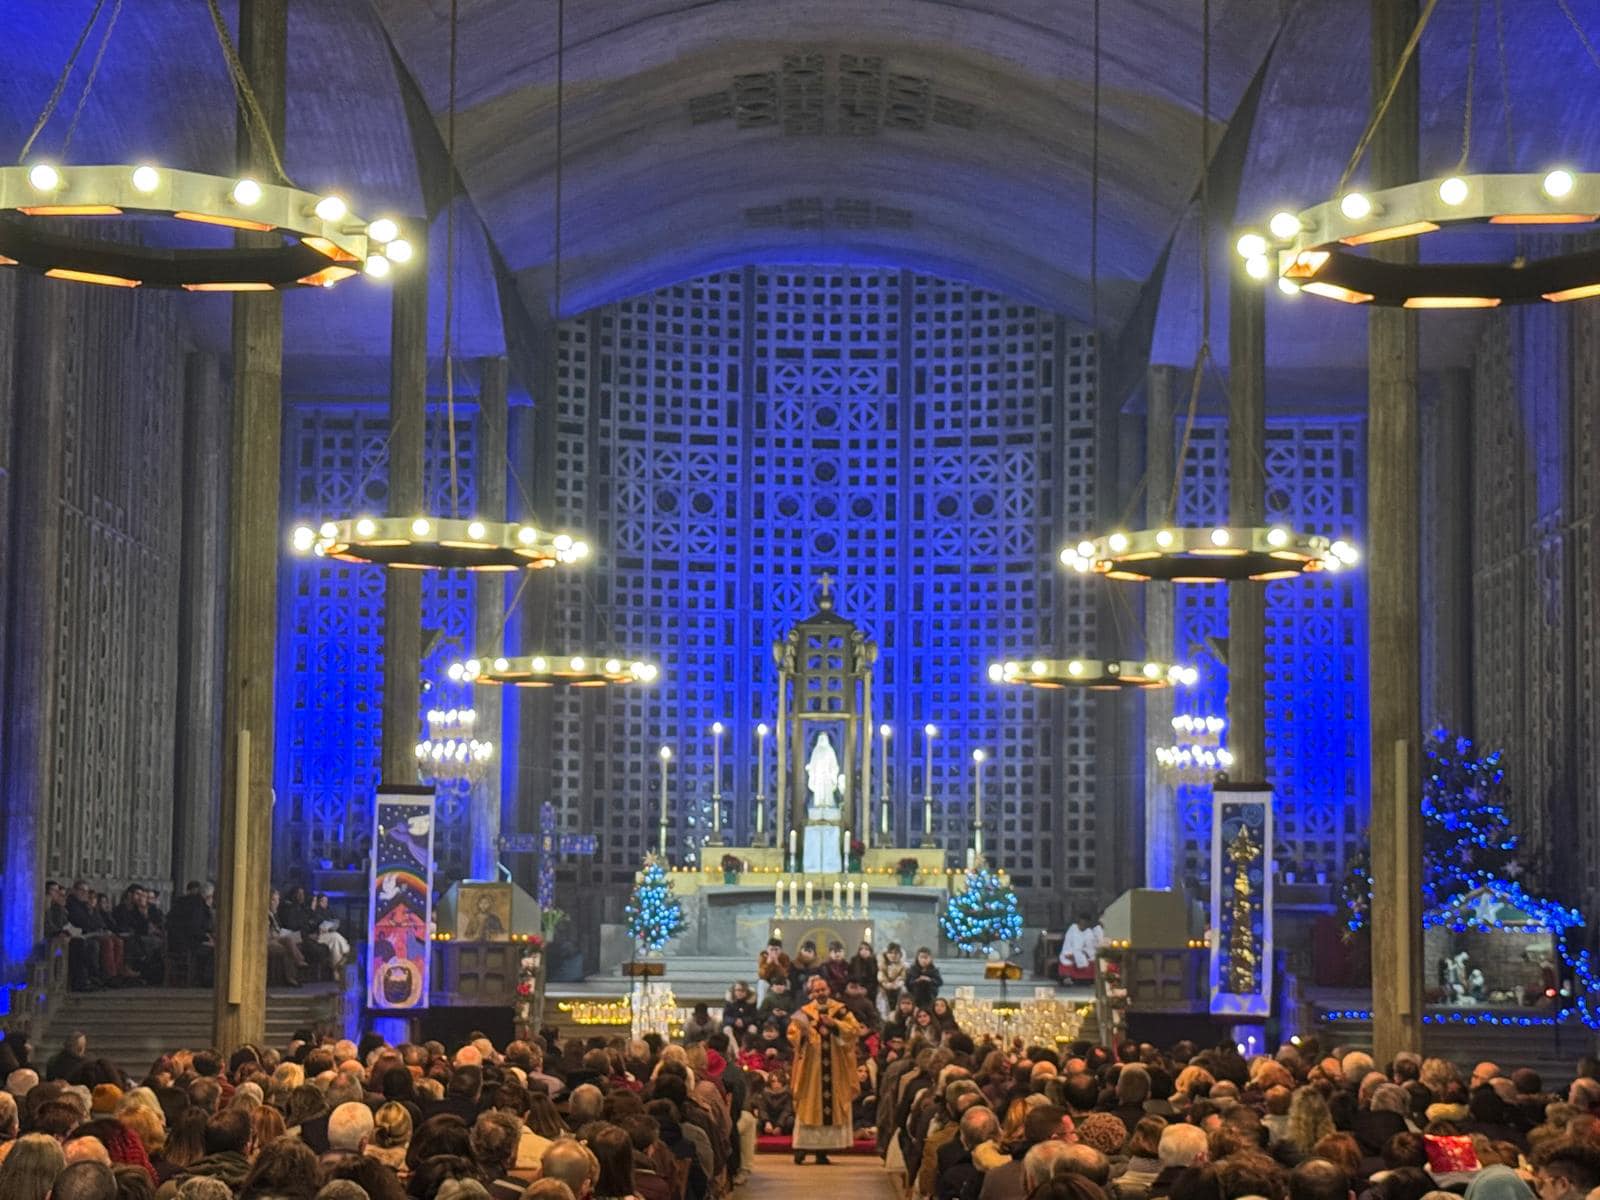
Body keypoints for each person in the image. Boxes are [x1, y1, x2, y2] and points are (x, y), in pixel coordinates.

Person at [788, 975, 865, 1164]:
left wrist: (835, 1024)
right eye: (817, 990)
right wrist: (803, 1033)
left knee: (831, 1107)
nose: (820, 993)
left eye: (823, 989)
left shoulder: (841, 1010)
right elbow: (792, 1034)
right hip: (812, 1070)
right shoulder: (804, 1012)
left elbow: (854, 1030)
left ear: (829, 990)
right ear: (811, 993)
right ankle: (802, 1149)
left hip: (835, 1067)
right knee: (810, 1107)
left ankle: (822, 1152)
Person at [1058, 913, 1103, 983]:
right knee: (1066, 961)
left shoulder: (1089, 932)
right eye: (1082, 923)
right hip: (1071, 954)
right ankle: (1067, 978)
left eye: (1086, 923)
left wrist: (1086, 953)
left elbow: (1090, 947)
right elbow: (1067, 945)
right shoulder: (1072, 929)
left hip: (1083, 955)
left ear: (1088, 923)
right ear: (1079, 921)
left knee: (1093, 959)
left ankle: (1087, 979)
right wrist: (1073, 956)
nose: (1083, 925)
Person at [879, 943, 907, 1015]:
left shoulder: (903, 966)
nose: (893, 955)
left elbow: (903, 977)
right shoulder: (882, 964)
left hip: (898, 988)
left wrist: (898, 984)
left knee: (903, 991)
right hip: (884, 988)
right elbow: (881, 976)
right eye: (890, 953)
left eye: (896, 953)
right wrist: (886, 984)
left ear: (900, 955)